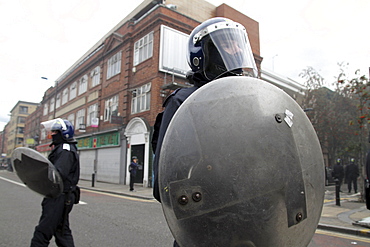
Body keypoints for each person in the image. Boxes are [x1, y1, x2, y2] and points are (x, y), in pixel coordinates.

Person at [151, 17, 257, 246]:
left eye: (239, 44)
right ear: (203, 54)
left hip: (252, 223)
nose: (237, 49)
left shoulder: (251, 103)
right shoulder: (183, 103)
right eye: (228, 44)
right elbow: (166, 182)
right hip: (205, 228)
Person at [31, 118, 80, 247]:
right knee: (62, 232)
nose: (52, 134)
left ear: (64, 133)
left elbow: (58, 173)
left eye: (54, 132)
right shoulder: (62, 148)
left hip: (60, 196)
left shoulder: (65, 149)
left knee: (43, 232)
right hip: (61, 195)